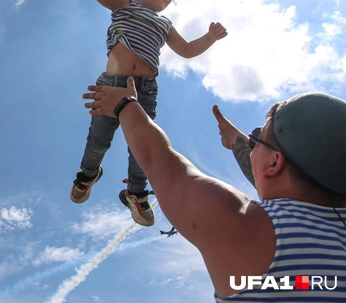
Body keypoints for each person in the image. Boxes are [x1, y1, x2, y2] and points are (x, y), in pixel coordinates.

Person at [83, 81, 346, 301]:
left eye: (256, 138)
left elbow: (157, 158)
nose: (250, 142)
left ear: (275, 163)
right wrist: (237, 142)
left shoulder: (245, 226)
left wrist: (125, 103)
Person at [70, 0, 227, 227]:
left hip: (145, 89)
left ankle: (136, 192)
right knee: (99, 138)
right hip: (112, 83)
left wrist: (210, 37)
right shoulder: (125, 6)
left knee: (144, 144)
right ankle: (87, 174)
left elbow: (188, 50)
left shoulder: (165, 24)